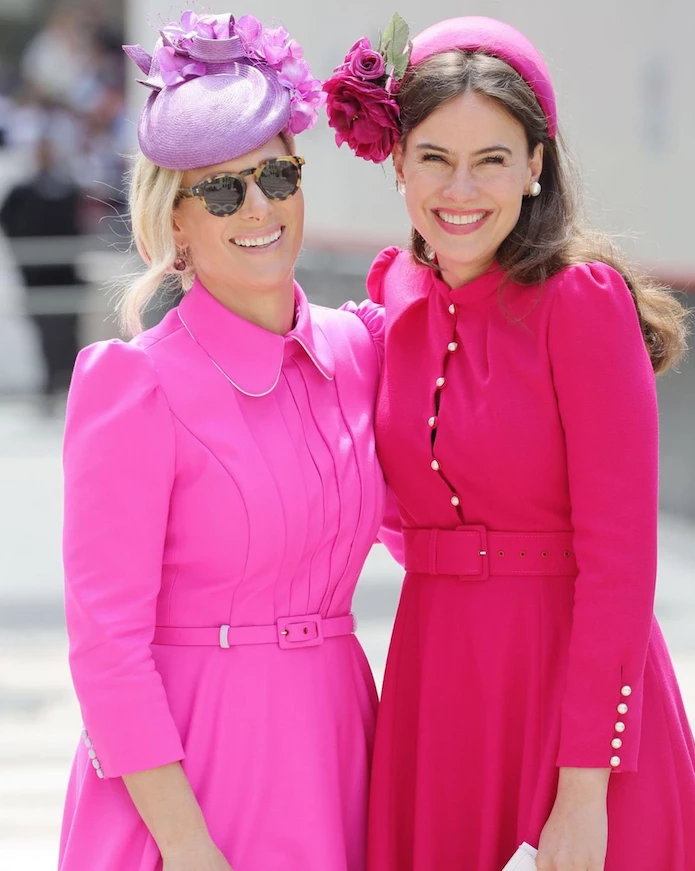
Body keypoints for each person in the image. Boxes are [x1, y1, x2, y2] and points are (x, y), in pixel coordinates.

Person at [324, 15, 695, 871]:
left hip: (577, 703)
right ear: (397, 163)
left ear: (535, 166)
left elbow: (620, 567)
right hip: (435, 686)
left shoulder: (581, 303)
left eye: (491, 158)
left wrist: (582, 790)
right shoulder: (393, 296)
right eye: (434, 157)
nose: (461, 188)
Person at [58, 11, 390, 871]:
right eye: (220, 189)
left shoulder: (359, 351)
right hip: (190, 774)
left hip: (341, 746)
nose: (259, 206)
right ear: (176, 224)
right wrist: (189, 849)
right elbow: (108, 651)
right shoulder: (134, 387)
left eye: (276, 173)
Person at [0, 136, 85, 410]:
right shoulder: (21, 193)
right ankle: (51, 383)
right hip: (35, 277)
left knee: (70, 332)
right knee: (44, 332)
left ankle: (72, 386)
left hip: (66, 274)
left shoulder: (68, 190)